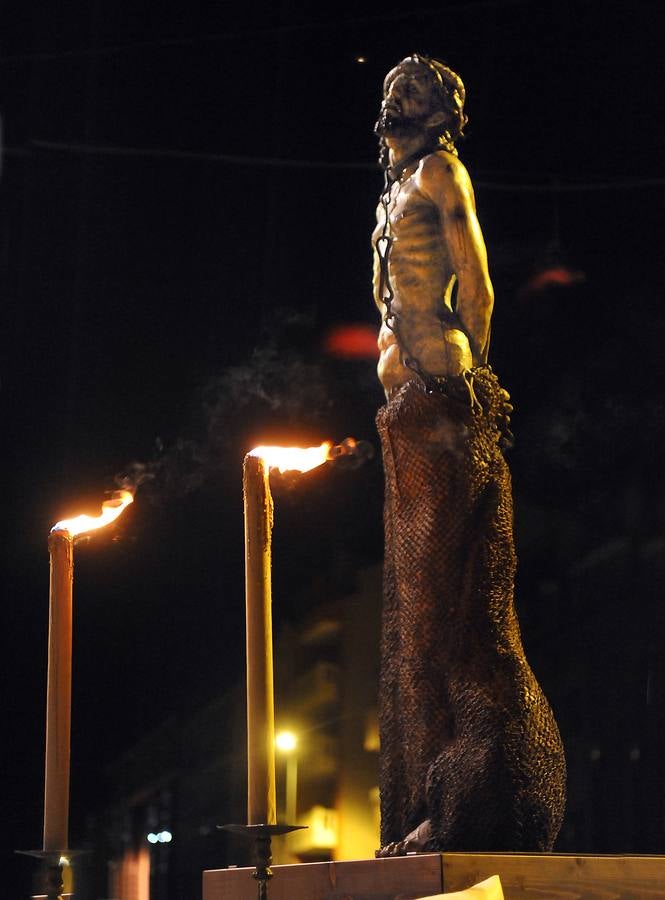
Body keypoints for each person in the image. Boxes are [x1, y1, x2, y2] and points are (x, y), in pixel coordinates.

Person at [372, 55, 565, 856]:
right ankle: (428, 795)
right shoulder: (393, 187)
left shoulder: (441, 174)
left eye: (410, 96)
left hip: (440, 389)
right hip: (406, 407)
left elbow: (474, 282)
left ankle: (468, 797)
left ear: (441, 113)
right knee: (416, 610)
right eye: (390, 94)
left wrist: (471, 381)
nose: (394, 106)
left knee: (450, 596)